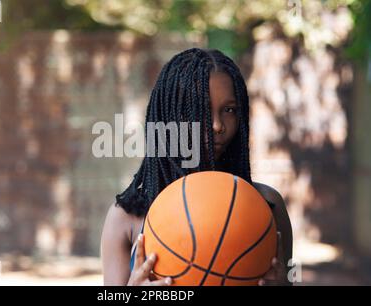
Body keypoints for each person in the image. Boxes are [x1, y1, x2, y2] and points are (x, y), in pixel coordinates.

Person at [100, 48, 293, 286]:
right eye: (201, 110)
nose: (217, 125)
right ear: (171, 118)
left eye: (229, 110)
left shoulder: (268, 205)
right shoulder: (125, 218)